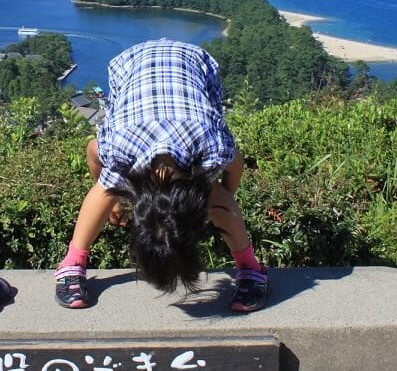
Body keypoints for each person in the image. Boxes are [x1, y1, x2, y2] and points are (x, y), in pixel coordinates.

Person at [53, 39, 270, 312]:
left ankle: (251, 268)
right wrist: (115, 198)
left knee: (212, 192)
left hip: (192, 65)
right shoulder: (121, 148)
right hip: (131, 65)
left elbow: (234, 163)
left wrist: (225, 195)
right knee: (110, 184)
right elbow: (93, 151)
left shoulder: (209, 148)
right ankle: (71, 263)